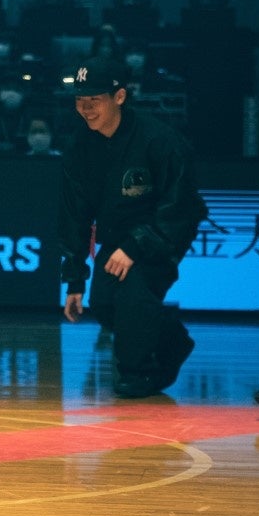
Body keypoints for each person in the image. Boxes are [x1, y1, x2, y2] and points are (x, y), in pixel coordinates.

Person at [56, 55, 206, 399]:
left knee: (133, 298)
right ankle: (173, 340)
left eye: (94, 100)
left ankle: (137, 373)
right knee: (104, 303)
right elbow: (74, 214)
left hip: (164, 232)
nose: (85, 109)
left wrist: (138, 245)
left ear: (119, 97)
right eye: (80, 100)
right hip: (117, 234)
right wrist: (75, 279)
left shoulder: (159, 139)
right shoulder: (79, 146)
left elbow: (181, 205)